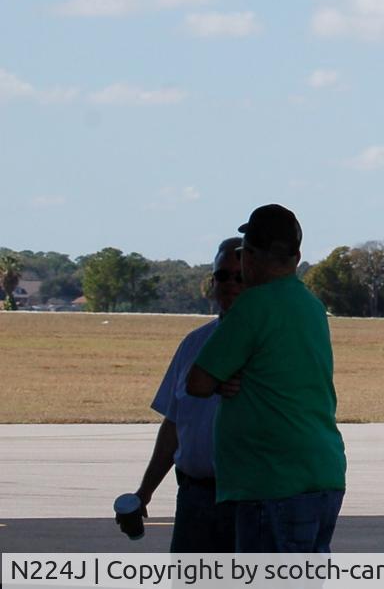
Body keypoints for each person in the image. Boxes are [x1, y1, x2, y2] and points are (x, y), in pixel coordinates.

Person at [186, 204, 346, 553]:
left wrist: (224, 378)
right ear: (296, 256)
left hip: (272, 480)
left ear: (251, 258)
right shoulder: (311, 305)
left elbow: (197, 383)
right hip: (321, 472)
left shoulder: (253, 305)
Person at [127, 238, 246, 551]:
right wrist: (144, 493)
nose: (231, 284)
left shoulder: (271, 344)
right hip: (194, 497)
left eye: (240, 277)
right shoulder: (194, 344)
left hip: (247, 501)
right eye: (223, 276)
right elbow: (174, 425)